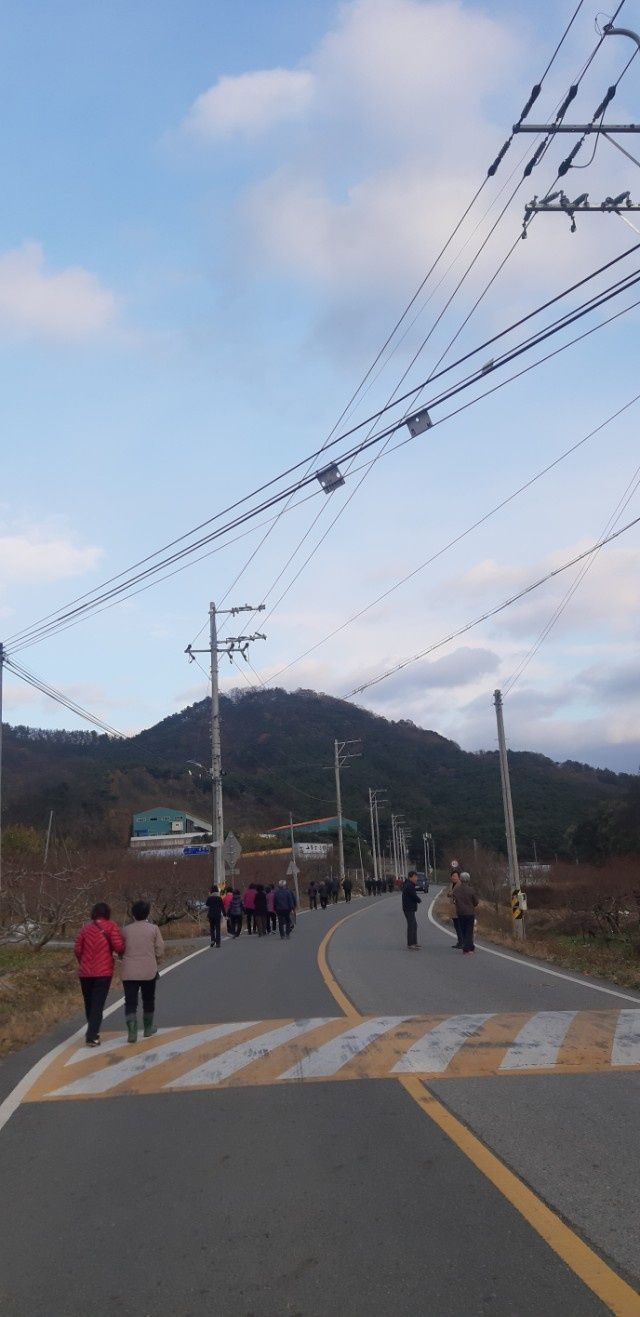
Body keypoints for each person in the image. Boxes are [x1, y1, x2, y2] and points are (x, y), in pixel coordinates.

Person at [74, 901, 125, 1047]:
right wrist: (122, 951)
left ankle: (92, 1029)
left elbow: (77, 949)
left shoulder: (85, 929)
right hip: (103, 971)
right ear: (107, 913)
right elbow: (118, 946)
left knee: (89, 1003)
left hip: (85, 973)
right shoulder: (111, 926)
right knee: (98, 1004)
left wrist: (82, 962)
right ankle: (92, 1035)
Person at [121, 900, 165, 1043]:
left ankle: (132, 1032)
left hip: (129, 971)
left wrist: (123, 957)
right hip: (148, 970)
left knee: (130, 1002)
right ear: (147, 913)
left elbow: (120, 948)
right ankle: (148, 1028)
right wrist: (156, 960)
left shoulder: (125, 930)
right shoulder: (154, 929)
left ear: (133, 914)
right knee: (148, 999)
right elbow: (159, 949)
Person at [451, 871, 479, 954]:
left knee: (463, 930)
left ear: (460, 879)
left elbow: (454, 900)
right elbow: (476, 902)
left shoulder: (456, 890)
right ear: (468, 880)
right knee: (469, 931)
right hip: (470, 912)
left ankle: (468, 947)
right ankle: (468, 948)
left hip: (460, 912)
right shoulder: (471, 890)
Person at [401, 870, 421, 950]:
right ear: (411, 877)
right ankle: (410, 944)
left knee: (414, 925)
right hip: (408, 908)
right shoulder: (409, 885)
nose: (416, 878)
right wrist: (419, 900)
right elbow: (413, 896)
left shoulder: (410, 884)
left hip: (410, 908)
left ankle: (414, 942)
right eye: (415, 877)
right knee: (411, 926)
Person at [448, 860, 463, 949]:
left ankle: (462, 942)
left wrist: (451, 894)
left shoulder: (460, 885)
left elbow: (455, 894)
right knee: (456, 927)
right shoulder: (451, 884)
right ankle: (459, 941)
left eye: (455, 876)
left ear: (459, 877)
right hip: (453, 910)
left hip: (460, 909)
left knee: (460, 926)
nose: (453, 877)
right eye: (452, 876)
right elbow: (449, 893)